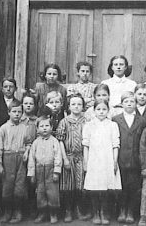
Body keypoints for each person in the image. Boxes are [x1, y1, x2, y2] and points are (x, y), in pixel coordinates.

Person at [112, 92, 146, 224]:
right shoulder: (116, 119)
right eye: (126, 101)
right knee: (121, 186)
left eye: (132, 101)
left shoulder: (142, 121)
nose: (129, 104)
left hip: (135, 159)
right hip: (120, 159)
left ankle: (130, 211)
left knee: (133, 186)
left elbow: (144, 141)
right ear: (122, 104)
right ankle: (122, 209)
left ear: (136, 104)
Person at [83, 99, 121, 225]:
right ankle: (96, 212)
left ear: (108, 111)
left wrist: (115, 161)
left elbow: (116, 144)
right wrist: (86, 161)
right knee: (94, 188)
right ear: (94, 111)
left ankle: (104, 213)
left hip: (107, 160)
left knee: (105, 188)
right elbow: (86, 145)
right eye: (98, 109)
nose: (101, 112)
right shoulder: (89, 125)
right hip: (94, 160)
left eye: (104, 109)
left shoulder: (112, 125)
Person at [0, 100, 27, 223]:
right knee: (7, 186)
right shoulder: (3, 128)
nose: (17, 114)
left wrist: (27, 152)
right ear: (9, 112)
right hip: (7, 159)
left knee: (19, 186)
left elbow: (29, 142)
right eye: (14, 111)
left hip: (21, 159)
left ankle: (17, 211)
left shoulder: (25, 127)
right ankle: (7, 211)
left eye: (19, 112)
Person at [56, 93, 88, 222]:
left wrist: (86, 159)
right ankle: (68, 211)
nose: (76, 106)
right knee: (67, 185)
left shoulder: (86, 121)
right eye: (73, 104)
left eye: (79, 104)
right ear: (68, 106)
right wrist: (64, 159)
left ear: (83, 107)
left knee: (79, 185)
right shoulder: (64, 122)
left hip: (81, 157)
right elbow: (60, 141)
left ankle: (78, 209)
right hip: (68, 156)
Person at [27, 116, 62, 224]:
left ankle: (53, 213)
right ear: (37, 129)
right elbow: (31, 159)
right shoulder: (35, 143)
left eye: (47, 125)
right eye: (41, 126)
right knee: (40, 193)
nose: (44, 128)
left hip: (50, 170)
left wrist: (56, 171)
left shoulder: (54, 141)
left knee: (52, 193)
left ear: (51, 127)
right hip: (39, 171)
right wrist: (32, 174)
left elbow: (58, 156)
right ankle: (42, 213)